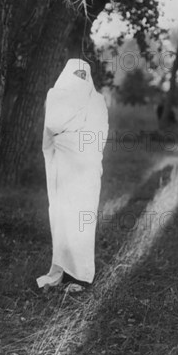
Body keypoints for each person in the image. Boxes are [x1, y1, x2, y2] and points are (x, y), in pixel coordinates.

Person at [36, 58, 109, 292]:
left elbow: (97, 136)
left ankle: (81, 276)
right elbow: (52, 126)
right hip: (63, 171)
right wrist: (69, 138)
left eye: (83, 74)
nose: (79, 79)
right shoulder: (57, 95)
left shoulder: (96, 101)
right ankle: (64, 271)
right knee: (61, 219)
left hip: (85, 173)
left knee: (81, 221)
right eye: (74, 73)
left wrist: (69, 139)